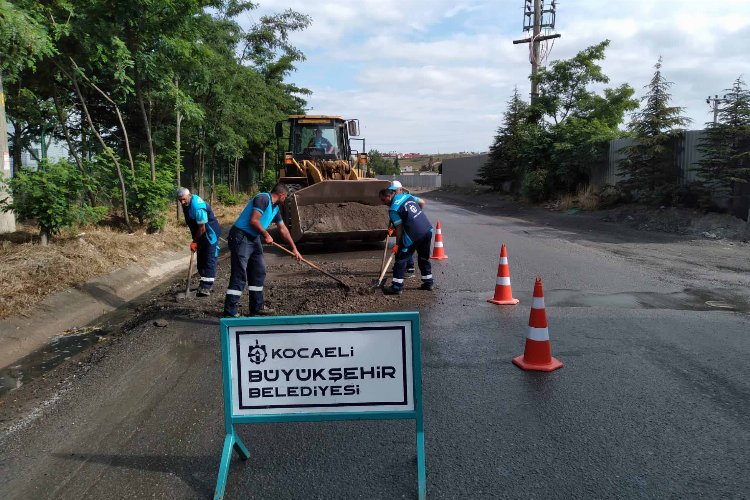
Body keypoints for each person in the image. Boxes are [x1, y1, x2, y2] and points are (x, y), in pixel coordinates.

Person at [223, 183, 302, 317]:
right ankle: (230, 310)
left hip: (253, 238)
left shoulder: (275, 208)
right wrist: (266, 235)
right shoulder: (263, 198)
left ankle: (257, 307)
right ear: (282, 195)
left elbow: (282, 229)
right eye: (286, 197)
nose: (285, 200)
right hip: (240, 236)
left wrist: (294, 249)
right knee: (240, 273)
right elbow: (253, 221)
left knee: (258, 271)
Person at [379, 187, 434, 295]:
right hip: (427, 229)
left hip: (413, 234)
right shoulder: (407, 196)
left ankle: (396, 287)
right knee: (423, 257)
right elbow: (422, 202)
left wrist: (397, 245)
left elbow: (399, 229)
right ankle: (428, 283)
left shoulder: (393, 209)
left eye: (383, 200)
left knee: (401, 258)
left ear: (389, 196)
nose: (383, 203)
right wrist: (414, 218)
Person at [176, 187, 221, 296]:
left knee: (209, 259)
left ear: (189, 195)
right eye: (180, 200)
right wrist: (196, 240)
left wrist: (195, 241)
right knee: (201, 260)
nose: (182, 202)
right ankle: (203, 283)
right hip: (200, 235)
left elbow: (202, 228)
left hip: (210, 234)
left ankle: (206, 288)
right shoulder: (187, 204)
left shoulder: (198, 207)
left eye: (184, 199)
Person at [388, 181, 426, 275]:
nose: (393, 192)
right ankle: (404, 267)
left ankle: (405, 268)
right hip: (403, 226)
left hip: (408, 228)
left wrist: (414, 214)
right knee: (406, 248)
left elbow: (421, 202)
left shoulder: (407, 196)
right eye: (392, 191)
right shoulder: (395, 200)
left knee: (404, 247)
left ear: (400, 189)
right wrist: (393, 226)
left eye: (395, 190)